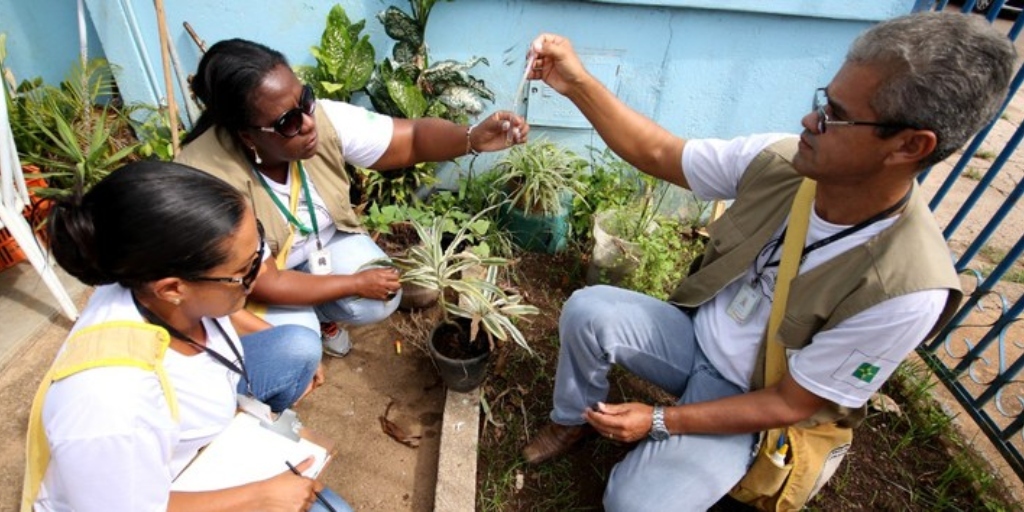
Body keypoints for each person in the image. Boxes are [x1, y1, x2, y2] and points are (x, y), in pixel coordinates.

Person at [519, 12, 1014, 511]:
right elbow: (658, 151)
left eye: (834, 115)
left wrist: (661, 420)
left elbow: (789, 403)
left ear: (910, 145)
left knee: (633, 504)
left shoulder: (905, 290)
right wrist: (575, 82)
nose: (810, 121)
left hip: (754, 401)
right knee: (590, 310)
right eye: (822, 100)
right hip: (697, 341)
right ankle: (572, 420)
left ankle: (687, 450)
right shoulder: (783, 161)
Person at [23, 161, 349, 512]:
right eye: (244, 270)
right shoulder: (108, 403)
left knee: (298, 347)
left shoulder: (150, 281)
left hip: (188, 447)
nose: (258, 278)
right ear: (173, 289)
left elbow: (225, 318)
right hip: (149, 495)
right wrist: (260, 497)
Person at [176, 38, 529, 357]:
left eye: (306, 100)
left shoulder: (320, 120)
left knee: (380, 296)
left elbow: (411, 139)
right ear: (248, 135)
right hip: (255, 282)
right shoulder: (210, 178)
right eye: (288, 122)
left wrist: (472, 138)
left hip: (319, 247)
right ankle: (307, 324)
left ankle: (316, 311)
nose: (309, 123)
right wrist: (354, 283)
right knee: (296, 347)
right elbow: (264, 281)